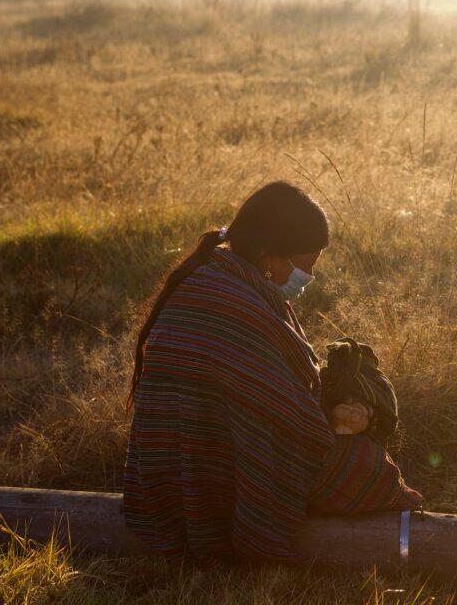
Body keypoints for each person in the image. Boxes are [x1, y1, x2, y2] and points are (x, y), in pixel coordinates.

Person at [122, 181, 422, 566]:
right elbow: (289, 416)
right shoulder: (236, 302)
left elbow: (267, 391)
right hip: (217, 468)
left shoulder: (212, 280)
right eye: (305, 266)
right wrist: (340, 423)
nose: (307, 278)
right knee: (365, 468)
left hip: (163, 476)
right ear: (268, 253)